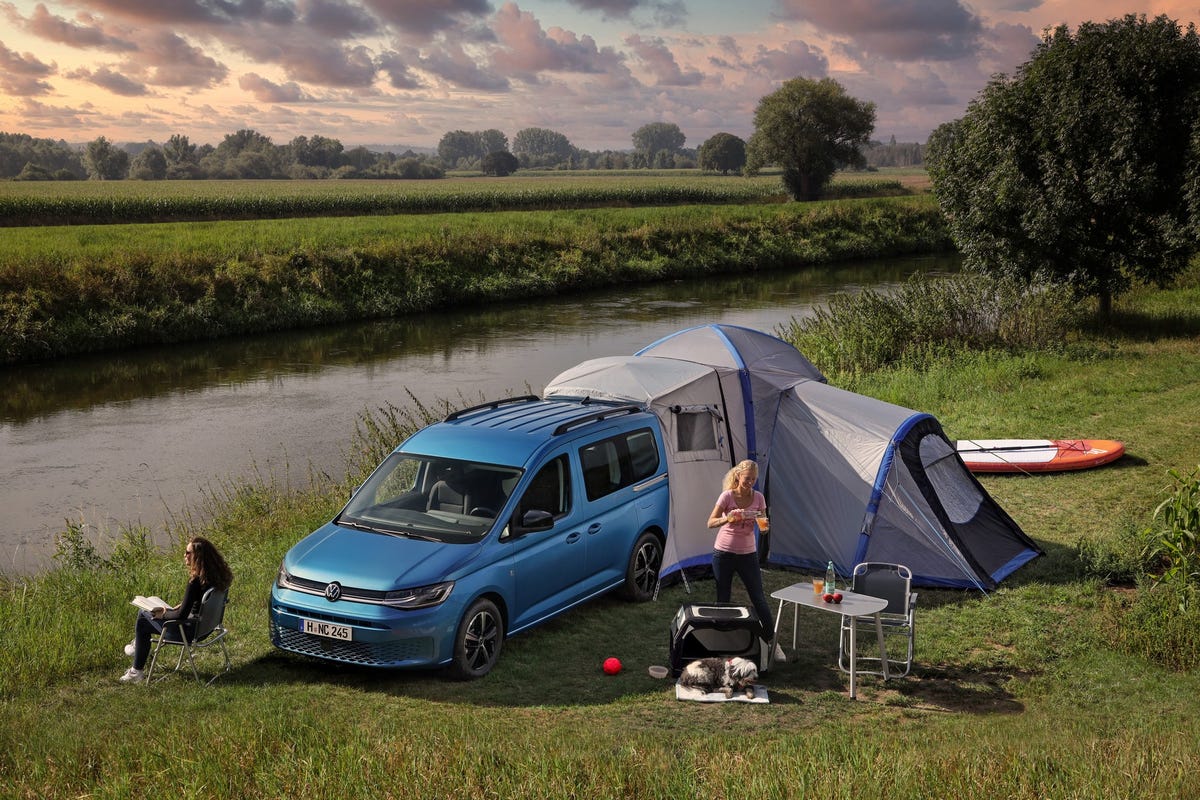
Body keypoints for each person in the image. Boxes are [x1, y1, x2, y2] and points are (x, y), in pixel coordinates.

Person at [120, 536, 234, 683]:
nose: (184, 555)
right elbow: (200, 601)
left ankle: (136, 670)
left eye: (188, 553)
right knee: (151, 611)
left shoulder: (195, 582)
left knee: (143, 616)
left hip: (188, 632)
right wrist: (179, 606)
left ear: (198, 557)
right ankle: (137, 645)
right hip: (206, 628)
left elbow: (180, 616)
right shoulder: (217, 577)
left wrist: (164, 614)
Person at [706, 459, 786, 663]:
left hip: (748, 554)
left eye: (753, 479)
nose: (749, 482)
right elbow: (710, 522)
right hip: (723, 553)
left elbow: (763, 524)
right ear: (738, 476)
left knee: (758, 597)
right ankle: (719, 642)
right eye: (746, 478)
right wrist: (728, 518)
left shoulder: (758, 498)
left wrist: (764, 527)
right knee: (723, 598)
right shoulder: (727, 496)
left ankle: (772, 642)